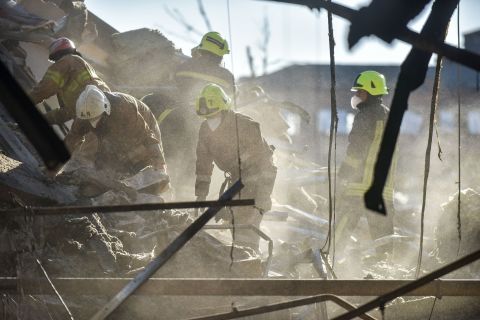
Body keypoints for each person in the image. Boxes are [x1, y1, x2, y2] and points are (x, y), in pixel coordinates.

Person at [194, 83, 276, 250]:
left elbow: (262, 161)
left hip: (259, 176)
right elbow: (203, 163)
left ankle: (249, 262)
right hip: (237, 177)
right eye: (207, 117)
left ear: (223, 111)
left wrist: (262, 196)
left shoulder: (245, 125)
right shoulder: (205, 129)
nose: (211, 121)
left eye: (214, 116)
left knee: (247, 224)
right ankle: (240, 260)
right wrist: (201, 194)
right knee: (234, 220)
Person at [335, 70, 396, 262]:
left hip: (361, 184)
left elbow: (357, 148)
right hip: (383, 187)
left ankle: (331, 259)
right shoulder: (389, 116)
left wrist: (345, 171)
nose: (356, 96)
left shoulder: (365, 116)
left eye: (360, 92)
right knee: (383, 232)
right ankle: (386, 267)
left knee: (343, 225)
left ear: (371, 92)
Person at [65, 85, 169, 195]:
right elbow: (72, 139)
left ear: (106, 109)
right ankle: (116, 191)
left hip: (144, 123)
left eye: (96, 119)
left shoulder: (124, 109)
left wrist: (159, 163)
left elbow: (148, 137)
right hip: (113, 130)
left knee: (149, 166)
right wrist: (55, 168)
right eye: (89, 120)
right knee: (106, 167)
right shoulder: (84, 115)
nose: (93, 125)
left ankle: (160, 196)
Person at [29, 37, 109, 126]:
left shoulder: (65, 61)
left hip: (90, 106)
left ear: (57, 53)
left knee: (76, 134)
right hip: (105, 104)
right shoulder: (82, 65)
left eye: (55, 59)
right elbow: (66, 113)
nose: (56, 62)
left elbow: (44, 89)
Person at [175, 31, 235, 102]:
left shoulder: (185, 66)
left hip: (182, 110)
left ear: (201, 49)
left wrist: (194, 59)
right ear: (220, 55)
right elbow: (232, 97)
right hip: (212, 111)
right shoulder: (227, 76)